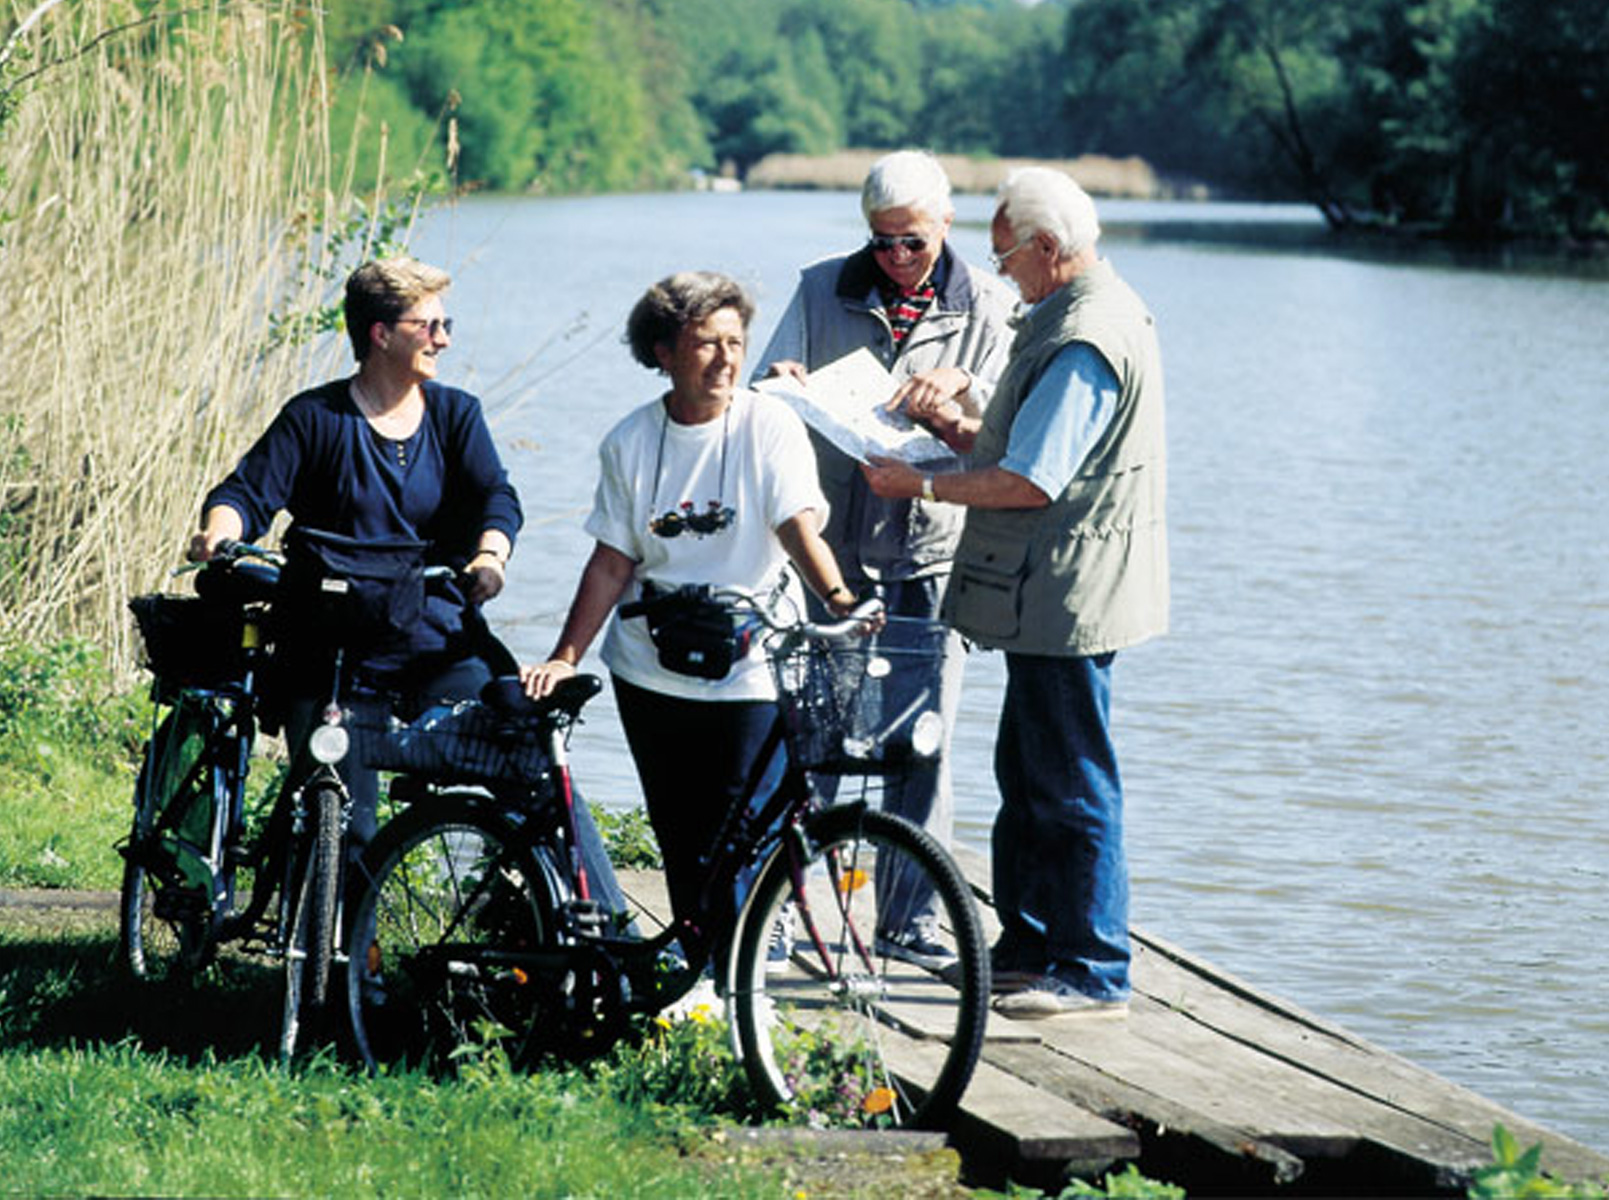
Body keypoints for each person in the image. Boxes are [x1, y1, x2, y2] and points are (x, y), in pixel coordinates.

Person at [188, 256, 620, 910]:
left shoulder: (455, 416)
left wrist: (490, 557)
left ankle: (596, 929)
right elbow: (244, 493)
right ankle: (345, 973)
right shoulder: (315, 418)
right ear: (381, 334)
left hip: (436, 637)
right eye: (430, 325)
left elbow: (495, 498)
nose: (444, 338)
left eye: (447, 323)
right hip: (333, 649)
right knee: (345, 818)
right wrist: (219, 534)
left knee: (527, 751)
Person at [864, 167, 1169, 1020]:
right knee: (1026, 771)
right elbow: (1019, 444)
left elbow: (1032, 481)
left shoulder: (1086, 336)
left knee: (1073, 780)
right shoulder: (1068, 314)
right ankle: (1030, 944)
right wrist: (946, 430)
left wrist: (917, 487)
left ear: (1046, 249)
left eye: (1007, 262)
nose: (1001, 278)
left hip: (1072, 595)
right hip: (1046, 593)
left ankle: (1094, 968)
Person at [521, 271, 868, 972]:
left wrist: (839, 600)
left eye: (735, 341)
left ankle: (744, 981)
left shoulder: (769, 425)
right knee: (682, 838)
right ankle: (702, 982)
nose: (725, 358)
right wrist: (566, 656)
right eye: (705, 343)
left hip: (752, 669)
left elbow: (798, 527)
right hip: (650, 667)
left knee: (741, 836)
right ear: (663, 352)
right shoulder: (630, 441)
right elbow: (613, 561)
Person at [756, 149, 1014, 965]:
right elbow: (765, 386)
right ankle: (786, 918)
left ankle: (911, 925)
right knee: (813, 735)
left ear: (946, 225)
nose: (896, 258)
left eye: (912, 242)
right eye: (881, 242)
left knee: (921, 742)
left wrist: (960, 399)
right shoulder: (819, 285)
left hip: (929, 554)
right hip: (829, 555)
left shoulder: (995, 307)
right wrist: (782, 377)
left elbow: (1006, 440)